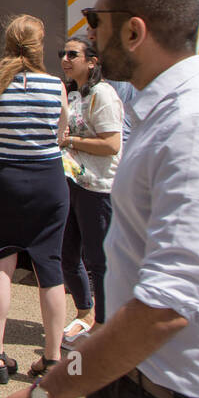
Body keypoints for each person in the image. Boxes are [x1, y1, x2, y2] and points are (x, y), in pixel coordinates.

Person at [1, 0, 199, 398]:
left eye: (94, 20)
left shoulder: (197, 124)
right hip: (135, 377)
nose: (87, 35)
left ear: (133, 32)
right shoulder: (167, 111)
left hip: (191, 397)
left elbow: (166, 307)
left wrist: (43, 394)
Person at [0, 15, 68, 382]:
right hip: (48, 178)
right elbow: (61, 133)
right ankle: (52, 358)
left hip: (5, 178)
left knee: (1, 261)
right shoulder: (56, 85)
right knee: (51, 264)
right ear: (39, 45)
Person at [57, 36, 122, 349]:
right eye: (63, 54)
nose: (66, 59)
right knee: (68, 254)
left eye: (73, 54)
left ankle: (105, 327)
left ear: (92, 61)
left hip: (99, 188)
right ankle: (86, 313)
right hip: (73, 182)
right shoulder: (74, 93)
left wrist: (70, 141)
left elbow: (112, 144)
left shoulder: (103, 94)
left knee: (99, 261)